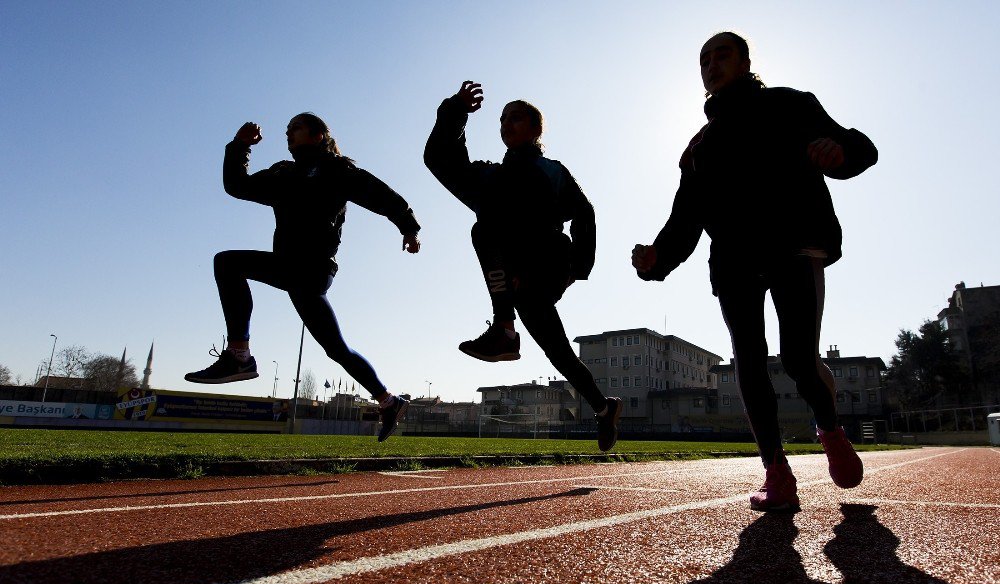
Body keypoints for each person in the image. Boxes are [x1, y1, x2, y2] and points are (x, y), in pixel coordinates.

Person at [632, 32, 878, 510]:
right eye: (703, 59)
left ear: (746, 61)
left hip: (794, 246)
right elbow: (687, 215)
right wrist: (658, 257)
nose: (711, 64)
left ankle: (829, 429)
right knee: (747, 359)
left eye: (721, 54)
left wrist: (840, 152)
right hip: (734, 260)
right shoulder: (700, 146)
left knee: (799, 361)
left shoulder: (791, 105)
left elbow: (855, 144)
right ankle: (776, 472)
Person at [185, 113, 419, 441]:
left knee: (227, 263)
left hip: (312, 268)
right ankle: (389, 401)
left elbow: (379, 195)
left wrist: (408, 226)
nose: (288, 133)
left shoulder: (337, 169)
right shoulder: (284, 173)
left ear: (319, 135)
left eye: (295, 128)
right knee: (337, 350)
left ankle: (239, 355)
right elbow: (237, 186)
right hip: (292, 268)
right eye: (287, 130)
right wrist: (239, 147)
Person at [425, 81, 622, 451]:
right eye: (501, 119)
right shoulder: (491, 177)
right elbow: (441, 161)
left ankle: (503, 327)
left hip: (547, 264)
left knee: (484, 228)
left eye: (514, 118)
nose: (505, 124)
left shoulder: (551, 171)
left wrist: (577, 267)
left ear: (535, 129)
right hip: (512, 273)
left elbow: (585, 213)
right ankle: (603, 406)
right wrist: (455, 112)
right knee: (557, 350)